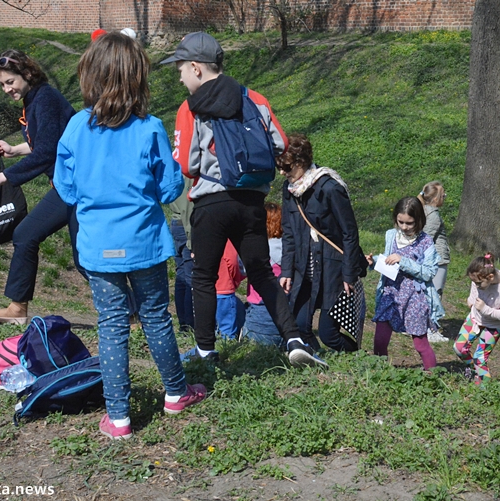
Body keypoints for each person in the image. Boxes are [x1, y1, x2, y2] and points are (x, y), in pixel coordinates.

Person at [53, 32, 206, 440]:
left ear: (90, 75)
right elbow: (171, 186)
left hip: (98, 246)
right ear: (138, 78)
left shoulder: (74, 128)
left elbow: (65, 188)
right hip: (144, 244)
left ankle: (118, 416)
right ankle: (176, 393)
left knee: (112, 324)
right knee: (156, 318)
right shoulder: (150, 128)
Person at [162, 32, 326, 368]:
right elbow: (280, 144)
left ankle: (207, 352)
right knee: (262, 273)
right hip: (252, 200)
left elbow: (185, 164)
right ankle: (293, 337)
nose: (179, 76)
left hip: (210, 203)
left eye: (180, 69)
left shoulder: (189, 108)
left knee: (204, 276)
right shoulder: (255, 98)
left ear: (195, 67)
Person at [0, 49, 81, 325]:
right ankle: (17, 308)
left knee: (84, 258)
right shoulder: (35, 100)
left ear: (27, 73)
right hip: (65, 188)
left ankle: (133, 314)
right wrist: (14, 149)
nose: (6, 89)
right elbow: (46, 142)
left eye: (10, 81)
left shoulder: (45, 98)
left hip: (81, 188)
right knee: (26, 233)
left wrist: (4, 177)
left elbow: (47, 151)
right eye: (2, 84)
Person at [279, 134, 367, 353]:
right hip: (304, 269)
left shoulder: (329, 188)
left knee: (329, 335)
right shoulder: (289, 191)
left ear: (300, 163)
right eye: (278, 167)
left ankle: (357, 358)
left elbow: (349, 233)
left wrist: (349, 273)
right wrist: (286, 270)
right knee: (299, 326)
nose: (282, 173)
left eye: (286, 167)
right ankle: (316, 360)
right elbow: (288, 232)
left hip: (332, 270)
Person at [367, 196, 445, 371]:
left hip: (414, 298)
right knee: (380, 339)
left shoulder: (426, 242)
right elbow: (388, 259)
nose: (404, 227)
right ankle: (380, 373)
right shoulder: (391, 235)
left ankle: (432, 376)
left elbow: (429, 272)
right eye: (400, 222)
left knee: (420, 344)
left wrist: (403, 261)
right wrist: (374, 262)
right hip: (390, 293)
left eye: (409, 223)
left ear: (419, 221)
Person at [454, 253, 500, 386]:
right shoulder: (479, 278)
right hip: (475, 318)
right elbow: (474, 289)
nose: (476, 285)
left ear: (490, 277)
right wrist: (471, 299)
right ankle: (472, 371)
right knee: (459, 348)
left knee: (479, 358)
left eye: (479, 283)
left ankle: (484, 388)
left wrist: (485, 309)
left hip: (493, 325)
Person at [241, 202, 285, 347]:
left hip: (260, 325)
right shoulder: (290, 250)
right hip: (288, 324)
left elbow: (239, 273)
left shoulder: (257, 250)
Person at [418, 181, 450, 343]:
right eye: (443, 195)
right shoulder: (433, 217)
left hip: (430, 260)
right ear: (436, 198)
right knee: (434, 294)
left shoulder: (422, 211)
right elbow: (426, 239)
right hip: (437, 260)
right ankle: (430, 330)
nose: (445, 197)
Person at [169, 178, 195, 332]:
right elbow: (188, 206)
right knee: (190, 275)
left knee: (181, 274)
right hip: (187, 223)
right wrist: (191, 237)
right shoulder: (190, 170)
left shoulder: (176, 163)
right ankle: (190, 325)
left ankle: (184, 323)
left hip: (176, 220)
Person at [215, 241, 246, 341]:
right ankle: (228, 347)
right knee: (227, 327)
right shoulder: (227, 240)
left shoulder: (204, 234)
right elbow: (233, 262)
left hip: (207, 289)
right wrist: (236, 280)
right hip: (224, 288)